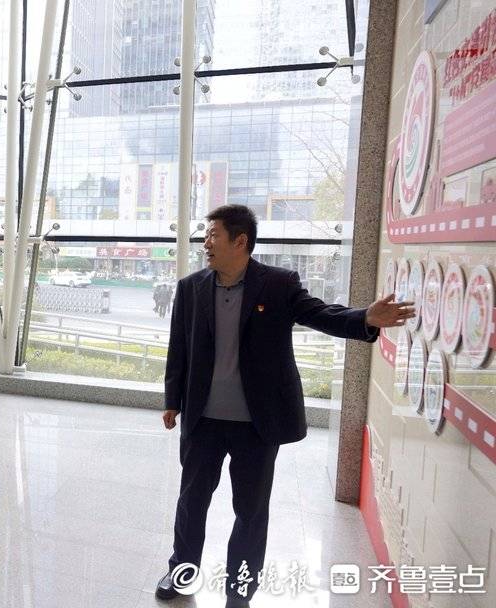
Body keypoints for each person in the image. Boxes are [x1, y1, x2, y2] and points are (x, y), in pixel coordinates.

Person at [154, 204, 414, 607]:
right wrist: (173, 400)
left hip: (257, 425)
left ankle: (240, 591)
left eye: (213, 234)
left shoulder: (277, 284)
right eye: (206, 235)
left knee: (251, 511)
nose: (206, 243)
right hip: (203, 421)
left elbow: (321, 314)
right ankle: (180, 573)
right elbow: (179, 349)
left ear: (240, 241)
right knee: (191, 503)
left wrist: (366, 318)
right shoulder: (191, 288)